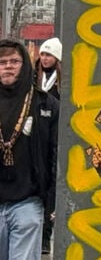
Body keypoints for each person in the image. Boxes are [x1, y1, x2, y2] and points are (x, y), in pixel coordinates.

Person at [0, 38, 58, 260]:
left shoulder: (44, 104)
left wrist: (51, 199)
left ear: (24, 65)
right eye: (2, 62)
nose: (8, 66)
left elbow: (55, 153)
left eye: (14, 61)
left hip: (28, 201)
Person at [33, 37, 62, 254]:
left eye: (49, 55)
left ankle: (46, 235)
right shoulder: (35, 80)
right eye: (42, 54)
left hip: (56, 136)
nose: (44, 58)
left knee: (51, 188)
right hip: (37, 137)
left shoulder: (61, 83)